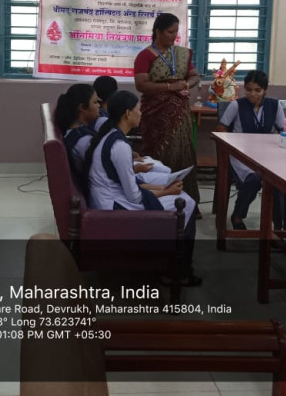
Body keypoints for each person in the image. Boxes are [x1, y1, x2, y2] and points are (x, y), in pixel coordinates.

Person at [84, 90, 200, 285]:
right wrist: (166, 191)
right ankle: (177, 273)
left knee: (183, 199)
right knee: (186, 204)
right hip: (113, 205)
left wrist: (162, 188)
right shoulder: (119, 146)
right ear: (127, 113)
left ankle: (171, 264)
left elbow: (128, 183)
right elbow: (135, 197)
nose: (141, 113)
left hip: (110, 197)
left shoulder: (111, 135)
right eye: (138, 109)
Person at [133, 13, 200, 210]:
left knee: (184, 154)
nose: (174, 36)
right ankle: (159, 201)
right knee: (158, 155)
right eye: (170, 32)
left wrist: (185, 84)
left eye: (176, 32)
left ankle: (188, 202)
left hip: (180, 113)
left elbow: (194, 76)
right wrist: (170, 87)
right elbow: (141, 85)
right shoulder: (145, 56)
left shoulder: (180, 54)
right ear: (158, 32)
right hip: (156, 114)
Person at [216, 70, 286, 230]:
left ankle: (278, 227)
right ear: (244, 88)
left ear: (265, 90)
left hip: (266, 154)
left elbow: (281, 131)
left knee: (277, 180)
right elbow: (221, 128)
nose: (252, 94)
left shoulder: (274, 105)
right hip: (240, 154)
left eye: (258, 90)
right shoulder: (236, 105)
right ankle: (238, 215)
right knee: (253, 179)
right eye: (249, 89)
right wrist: (231, 144)